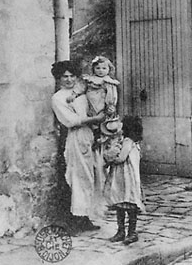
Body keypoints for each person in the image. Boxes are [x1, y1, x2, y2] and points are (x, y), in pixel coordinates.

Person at [51, 60, 106, 233]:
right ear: (59, 79)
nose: (68, 80)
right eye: (64, 77)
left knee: (92, 176)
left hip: (90, 135)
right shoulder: (58, 98)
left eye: (71, 76)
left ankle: (86, 217)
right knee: (78, 177)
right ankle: (75, 219)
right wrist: (95, 120)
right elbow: (70, 121)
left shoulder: (81, 92)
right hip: (75, 137)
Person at [105, 116, 145, 245]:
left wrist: (111, 159)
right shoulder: (127, 141)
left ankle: (131, 232)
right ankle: (121, 231)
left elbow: (122, 158)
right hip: (122, 176)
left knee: (128, 203)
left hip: (126, 177)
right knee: (120, 203)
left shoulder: (128, 141)